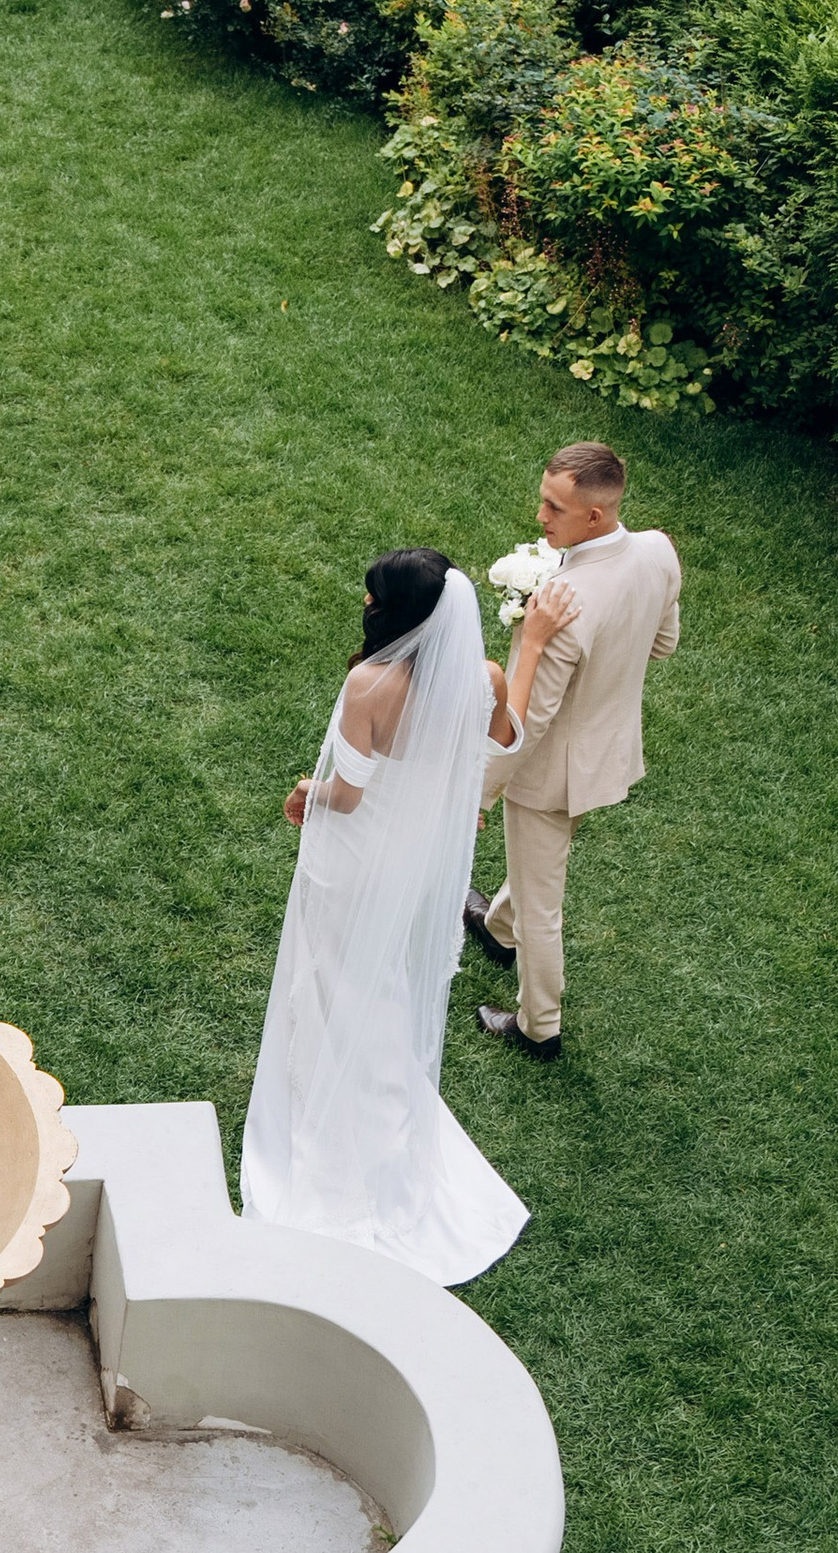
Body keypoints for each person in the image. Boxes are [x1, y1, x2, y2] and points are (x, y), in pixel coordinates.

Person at [241, 545, 578, 1288]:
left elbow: (349, 794)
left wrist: (306, 789)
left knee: (329, 979)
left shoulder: (369, 683)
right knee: (385, 984)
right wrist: (531, 647)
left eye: (371, 596)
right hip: (421, 864)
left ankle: (326, 1119)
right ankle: (386, 1123)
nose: (365, 604)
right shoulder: (481, 678)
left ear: (398, 612)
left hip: (354, 859)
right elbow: (506, 734)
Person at [467, 440, 682, 1062]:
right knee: (540, 868)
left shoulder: (560, 609)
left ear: (594, 515)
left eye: (554, 507)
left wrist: (478, 790)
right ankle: (497, 928)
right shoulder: (659, 550)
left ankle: (540, 1026)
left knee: (543, 903)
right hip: (607, 752)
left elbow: (525, 722)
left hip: (550, 774)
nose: (540, 516)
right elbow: (662, 645)